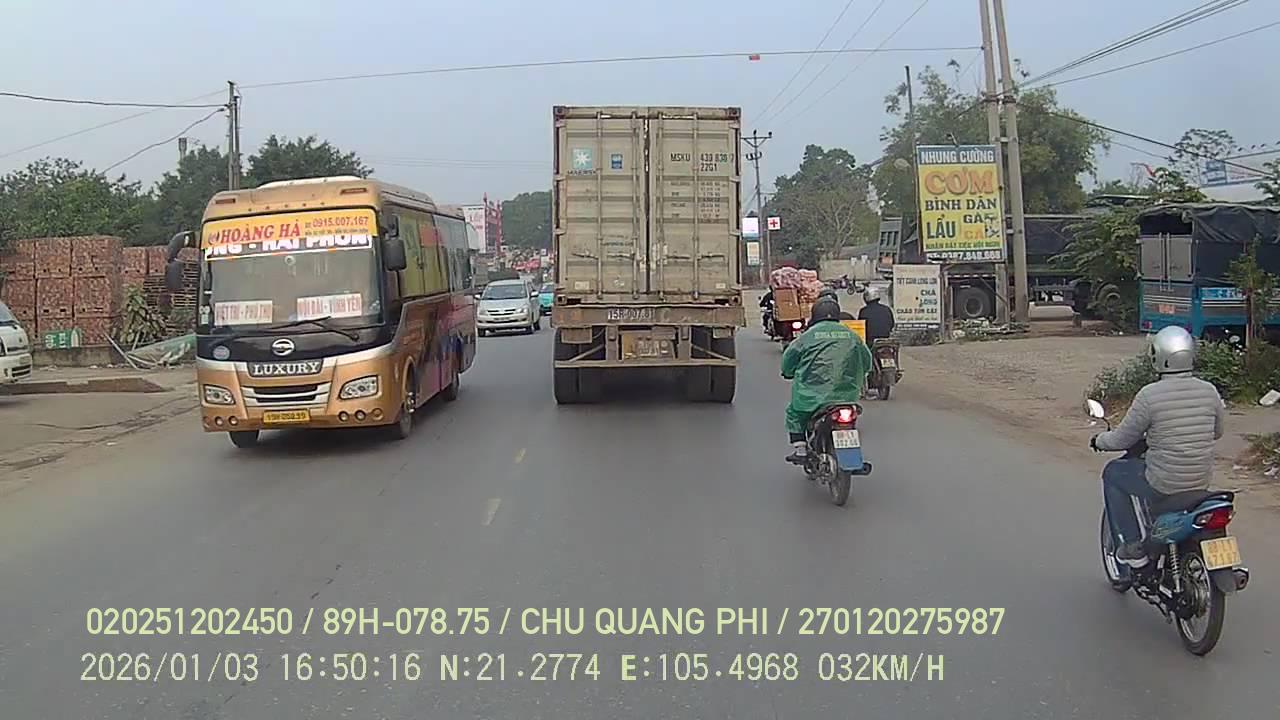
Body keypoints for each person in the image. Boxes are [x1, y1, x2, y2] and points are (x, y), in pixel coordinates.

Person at [1091, 325, 1225, 568]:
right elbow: (1217, 432)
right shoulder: (1209, 391)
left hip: (1164, 483)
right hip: (1200, 481)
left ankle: (1133, 547)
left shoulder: (1149, 395)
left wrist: (1099, 440)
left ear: (1158, 356)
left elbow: (1122, 439)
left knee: (1113, 472)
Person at [781, 298, 873, 463]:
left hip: (811, 396)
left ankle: (801, 450)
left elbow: (789, 360)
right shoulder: (852, 335)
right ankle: (851, 459)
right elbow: (867, 362)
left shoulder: (807, 336)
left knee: (794, 413)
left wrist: (787, 372)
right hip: (846, 395)